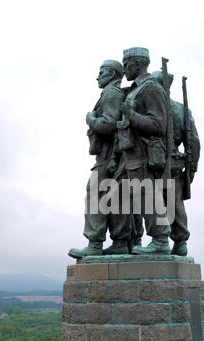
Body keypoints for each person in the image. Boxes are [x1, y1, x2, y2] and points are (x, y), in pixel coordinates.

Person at [69, 60, 131, 258]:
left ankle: (95, 244)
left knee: (95, 194)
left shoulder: (111, 93)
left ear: (112, 74)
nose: (98, 76)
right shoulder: (114, 93)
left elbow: (109, 124)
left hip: (108, 156)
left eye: (101, 72)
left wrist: (90, 119)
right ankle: (120, 242)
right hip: (115, 155)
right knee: (115, 199)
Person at [118, 47, 171, 255]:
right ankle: (124, 241)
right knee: (126, 195)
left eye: (127, 64)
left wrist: (132, 116)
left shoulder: (150, 88)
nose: (124, 69)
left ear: (138, 64)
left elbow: (160, 124)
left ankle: (160, 240)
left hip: (144, 153)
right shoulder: (134, 89)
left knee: (146, 194)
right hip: (129, 153)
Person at [152, 70, 200, 256]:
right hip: (171, 163)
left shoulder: (153, 107)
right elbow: (193, 142)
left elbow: (193, 142)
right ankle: (179, 241)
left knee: (159, 202)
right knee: (172, 202)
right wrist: (192, 168)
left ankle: (172, 241)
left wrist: (191, 169)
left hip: (157, 162)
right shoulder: (181, 110)